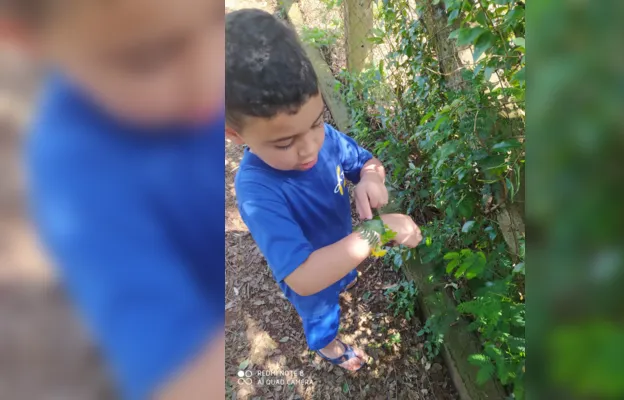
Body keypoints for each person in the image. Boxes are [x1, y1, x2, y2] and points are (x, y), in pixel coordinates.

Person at [1, 1, 225, 399]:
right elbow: (176, 378)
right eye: (149, 57)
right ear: (25, 38)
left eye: (217, 16)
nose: (212, 74)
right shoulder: (77, 170)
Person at [225, 9, 423, 372]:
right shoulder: (256, 190)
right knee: (320, 312)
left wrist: (371, 179)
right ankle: (328, 346)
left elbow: (366, 162)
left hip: (342, 248)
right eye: (285, 143)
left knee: (340, 278)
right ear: (235, 136)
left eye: (316, 122)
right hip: (314, 278)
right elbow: (303, 277)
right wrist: (379, 230)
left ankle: (342, 283)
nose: (310, 148)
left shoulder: (325, 138)